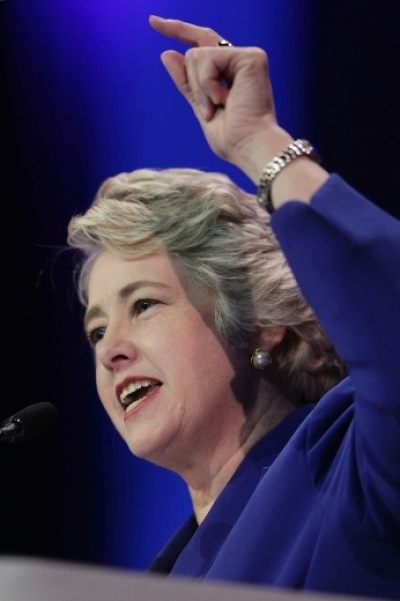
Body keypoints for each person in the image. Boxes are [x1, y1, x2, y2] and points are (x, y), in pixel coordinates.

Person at [67, 15, 400, 600]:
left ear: (263, 322)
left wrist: (259, 144)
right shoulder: (166, 577)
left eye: (143, 304)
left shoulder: (350, 469)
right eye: (96, 332)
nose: (111, 350)